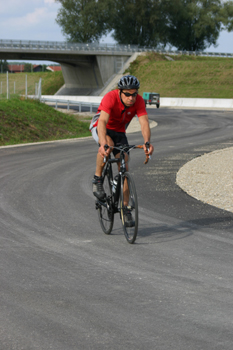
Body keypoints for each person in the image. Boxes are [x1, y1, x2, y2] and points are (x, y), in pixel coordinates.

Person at [90, 74, 154, 225]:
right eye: (127, 94)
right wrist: (103, 143)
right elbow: (103, 121)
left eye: (134, 94)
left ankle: (126, 209)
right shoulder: (110, 97)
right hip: (101, 127)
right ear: (120, 91)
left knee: (124, 162)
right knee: (108, 146)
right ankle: (98, 178)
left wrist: (147, 142)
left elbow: (144, 123)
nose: (131, 98)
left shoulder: (138, 101)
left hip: (119, 131)